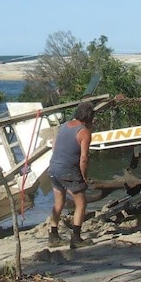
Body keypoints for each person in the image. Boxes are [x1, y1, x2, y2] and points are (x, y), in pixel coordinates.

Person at [48, 101, 95, 249]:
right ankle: (76, 237)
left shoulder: (64, 126)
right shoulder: (84, 132)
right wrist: (84, 177)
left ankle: (53, 235)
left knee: (58, 202)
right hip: (68, 170)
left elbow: (54, 146)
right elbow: (83, 159)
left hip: (54, 167)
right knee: (81, 203)